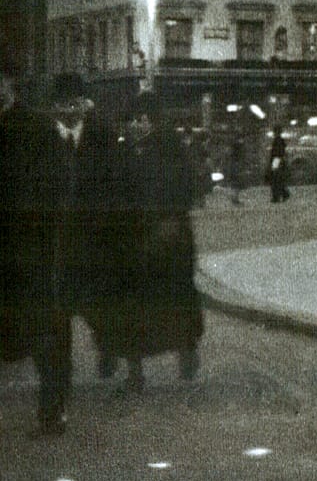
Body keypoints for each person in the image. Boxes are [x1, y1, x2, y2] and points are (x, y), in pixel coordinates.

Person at [0, 51, 74, 437]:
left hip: (31, 251)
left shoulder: (36, 129)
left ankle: (52, 411)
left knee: (45, 334)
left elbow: (61, 187)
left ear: (9, 83)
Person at [115, 91, 204, 390]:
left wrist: (170, 219)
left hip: (169, 238)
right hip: (137, 241)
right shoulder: (127, 151)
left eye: (142, 120)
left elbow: (186, 186)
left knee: (175, 300)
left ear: (154, 120)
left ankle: (186, 349)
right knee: (133, 308)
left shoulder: (170, 147)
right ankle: (135, 373)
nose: (137, 126)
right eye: (133, 121)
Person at [46, 73, 126, 382]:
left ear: (85, 105)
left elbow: (115, 183)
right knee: (60, 308)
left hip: (95, 235)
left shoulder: (102, 135)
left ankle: (106, 347)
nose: (69, 111)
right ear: (55, 107)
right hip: (59, 237)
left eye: (74, 104)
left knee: (97, 303)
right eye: (63, 105)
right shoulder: (47, 138)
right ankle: (60, 369)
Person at [267, 125, 291, 203]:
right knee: (278, 179)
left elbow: (275, 153)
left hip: (276, 160)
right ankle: (283, 194)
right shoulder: (281, 140)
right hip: (279, 160)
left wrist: (272, 164)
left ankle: (277, 197)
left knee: (275, 179)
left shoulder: (277, 141)